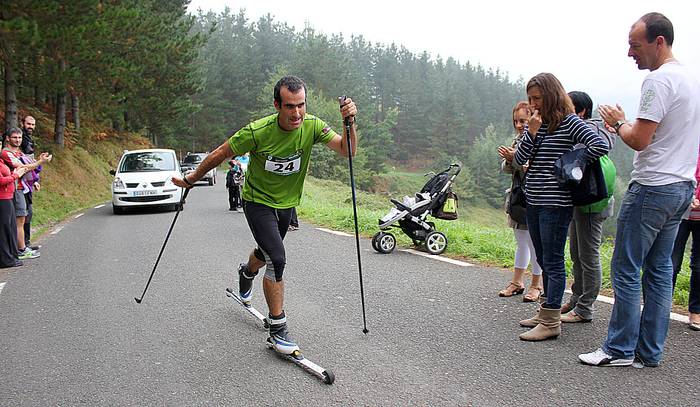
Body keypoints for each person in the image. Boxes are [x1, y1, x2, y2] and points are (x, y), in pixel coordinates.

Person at [172, 75, 357, 354]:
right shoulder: (257, 131)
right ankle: (277, 327)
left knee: (265, 252)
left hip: (286, 204)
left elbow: (348, 150)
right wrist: (192, 178)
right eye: (289, 106)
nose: (297, 113)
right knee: (278, 259)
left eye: (301, 105)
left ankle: (246, 272)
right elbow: (221, 152)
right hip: (257, 201)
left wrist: (350, 122)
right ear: (277, 105)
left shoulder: (313, 125)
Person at [579, 12, 700, 367]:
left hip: (652, 186)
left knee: (627, 267)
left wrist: (619, 123)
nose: (631, 53)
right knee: (661, 269)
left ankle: (618, 349)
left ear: (658, 42)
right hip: (681, 187)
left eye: (635, 45)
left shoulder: (658, 82)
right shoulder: (691, 79)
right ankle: (649, 351)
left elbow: (641, 140)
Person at [513, 73, 608, 342]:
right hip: (534, 199)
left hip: (556, 203)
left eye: (538, 98)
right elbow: (520, 159)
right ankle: (545, 310)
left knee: (553, 260)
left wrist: (571, 162)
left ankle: (551, 320)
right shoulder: (537, 124)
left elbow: (600, 144)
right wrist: (530, 133)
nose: (533, 103)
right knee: (542, 258)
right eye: (530, 98)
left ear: (552, 95)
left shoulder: (569, 122)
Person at [560, 91, 616, 323]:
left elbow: (601, 146)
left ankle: (585, 308)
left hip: (593, 203)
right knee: (576, 253)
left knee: (588, 255)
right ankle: (577, 299)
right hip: (581, 200)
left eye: (568, 107)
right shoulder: (590, 127)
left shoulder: (592, 130)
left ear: (581, 111)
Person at [497, 102, 543, 301]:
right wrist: (510, 159)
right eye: (516, 121)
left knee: (535, 243)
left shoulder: (540, 138)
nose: (518, 124)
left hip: (536, 197)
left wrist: (517, 161)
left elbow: (533, 166)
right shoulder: (518, 140)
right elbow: (508, 168)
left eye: (523, 120)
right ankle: (517, 282)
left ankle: (536, 285)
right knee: (521, 241)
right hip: (518, 197)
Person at [1, 129, 51, 260]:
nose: (17, 140)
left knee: (23, 218)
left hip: (22, 187)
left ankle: (22, 246)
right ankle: (21, 249)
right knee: (19, 219)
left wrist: (38, 163)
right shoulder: (6, 153)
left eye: (19, 137)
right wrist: (40, 162)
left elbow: (29, 166)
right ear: (7, 138)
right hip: (15, 188)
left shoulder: (17, 152)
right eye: (14, 137)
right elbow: (24, 167)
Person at [669, 154, 700, 331]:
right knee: (670, 263)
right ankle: (661, 308)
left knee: (698, 266)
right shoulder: (687, 146)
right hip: (679, 211)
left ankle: (696, 311)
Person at [0, 142, 27, 268]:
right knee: (4, 230)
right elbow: (1, 181)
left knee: (10, 228)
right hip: (2, 199)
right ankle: (5, 260)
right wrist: (16, 175)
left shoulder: (1, 160)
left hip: (8, 197)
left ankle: (11, 256)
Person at [20, 116, 39, 250]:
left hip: (28, 181)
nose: (30, 126)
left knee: (28, 213)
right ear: (23, 123)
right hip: (20, 182)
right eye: (28, 124)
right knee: (24, 214)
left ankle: (26, 243)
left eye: (32, 124)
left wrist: (36, 180)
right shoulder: (20, 138)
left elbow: (30, 160)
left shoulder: (29, 139)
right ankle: (23, 245)